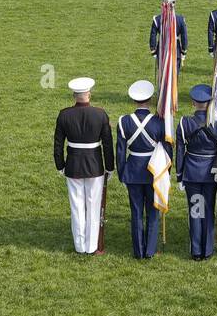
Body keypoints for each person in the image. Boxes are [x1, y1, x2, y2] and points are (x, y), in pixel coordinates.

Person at [53, 77, 114, 255]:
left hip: (73, 164)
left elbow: (58, 144)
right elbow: (108, 144)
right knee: (93, 206)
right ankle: (91, 246)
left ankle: (80, 246)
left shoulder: (64, 114)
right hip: (95, 165)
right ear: (89, 94)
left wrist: (60, 165)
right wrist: (109, 167)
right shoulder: (100, 114)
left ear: (74, 95)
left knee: (77, 206)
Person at [116, 80, 169, 259]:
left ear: (134, 100)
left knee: (136, 211)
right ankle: (150, 250)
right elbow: (167, 149)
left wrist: (122, 172)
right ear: (151, 99)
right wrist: (166, 172)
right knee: (153, 212)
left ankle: (138, 250)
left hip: (132, 171)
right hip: (154, 171)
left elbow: (121, 151)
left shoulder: (124, 121)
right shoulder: (159, 122)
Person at [176, 85, 217, 261]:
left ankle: (196, 250)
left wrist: (179, 175)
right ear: (209, 104)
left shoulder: (185, 123)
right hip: (212, 173)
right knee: (207, 210)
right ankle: (206, 250)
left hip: (192, 173)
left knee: (195, 211)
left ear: (193, 103)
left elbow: (179, 150)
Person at [149, 0, 188, 65]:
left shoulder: (157, 19)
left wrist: (153, 50)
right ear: (174, 4)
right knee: (174, 74)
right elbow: (184, 37)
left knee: (162, 73)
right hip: (176, 50)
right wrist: (183, 51)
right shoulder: (180, 19)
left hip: (161, 49)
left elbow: (153, 36)